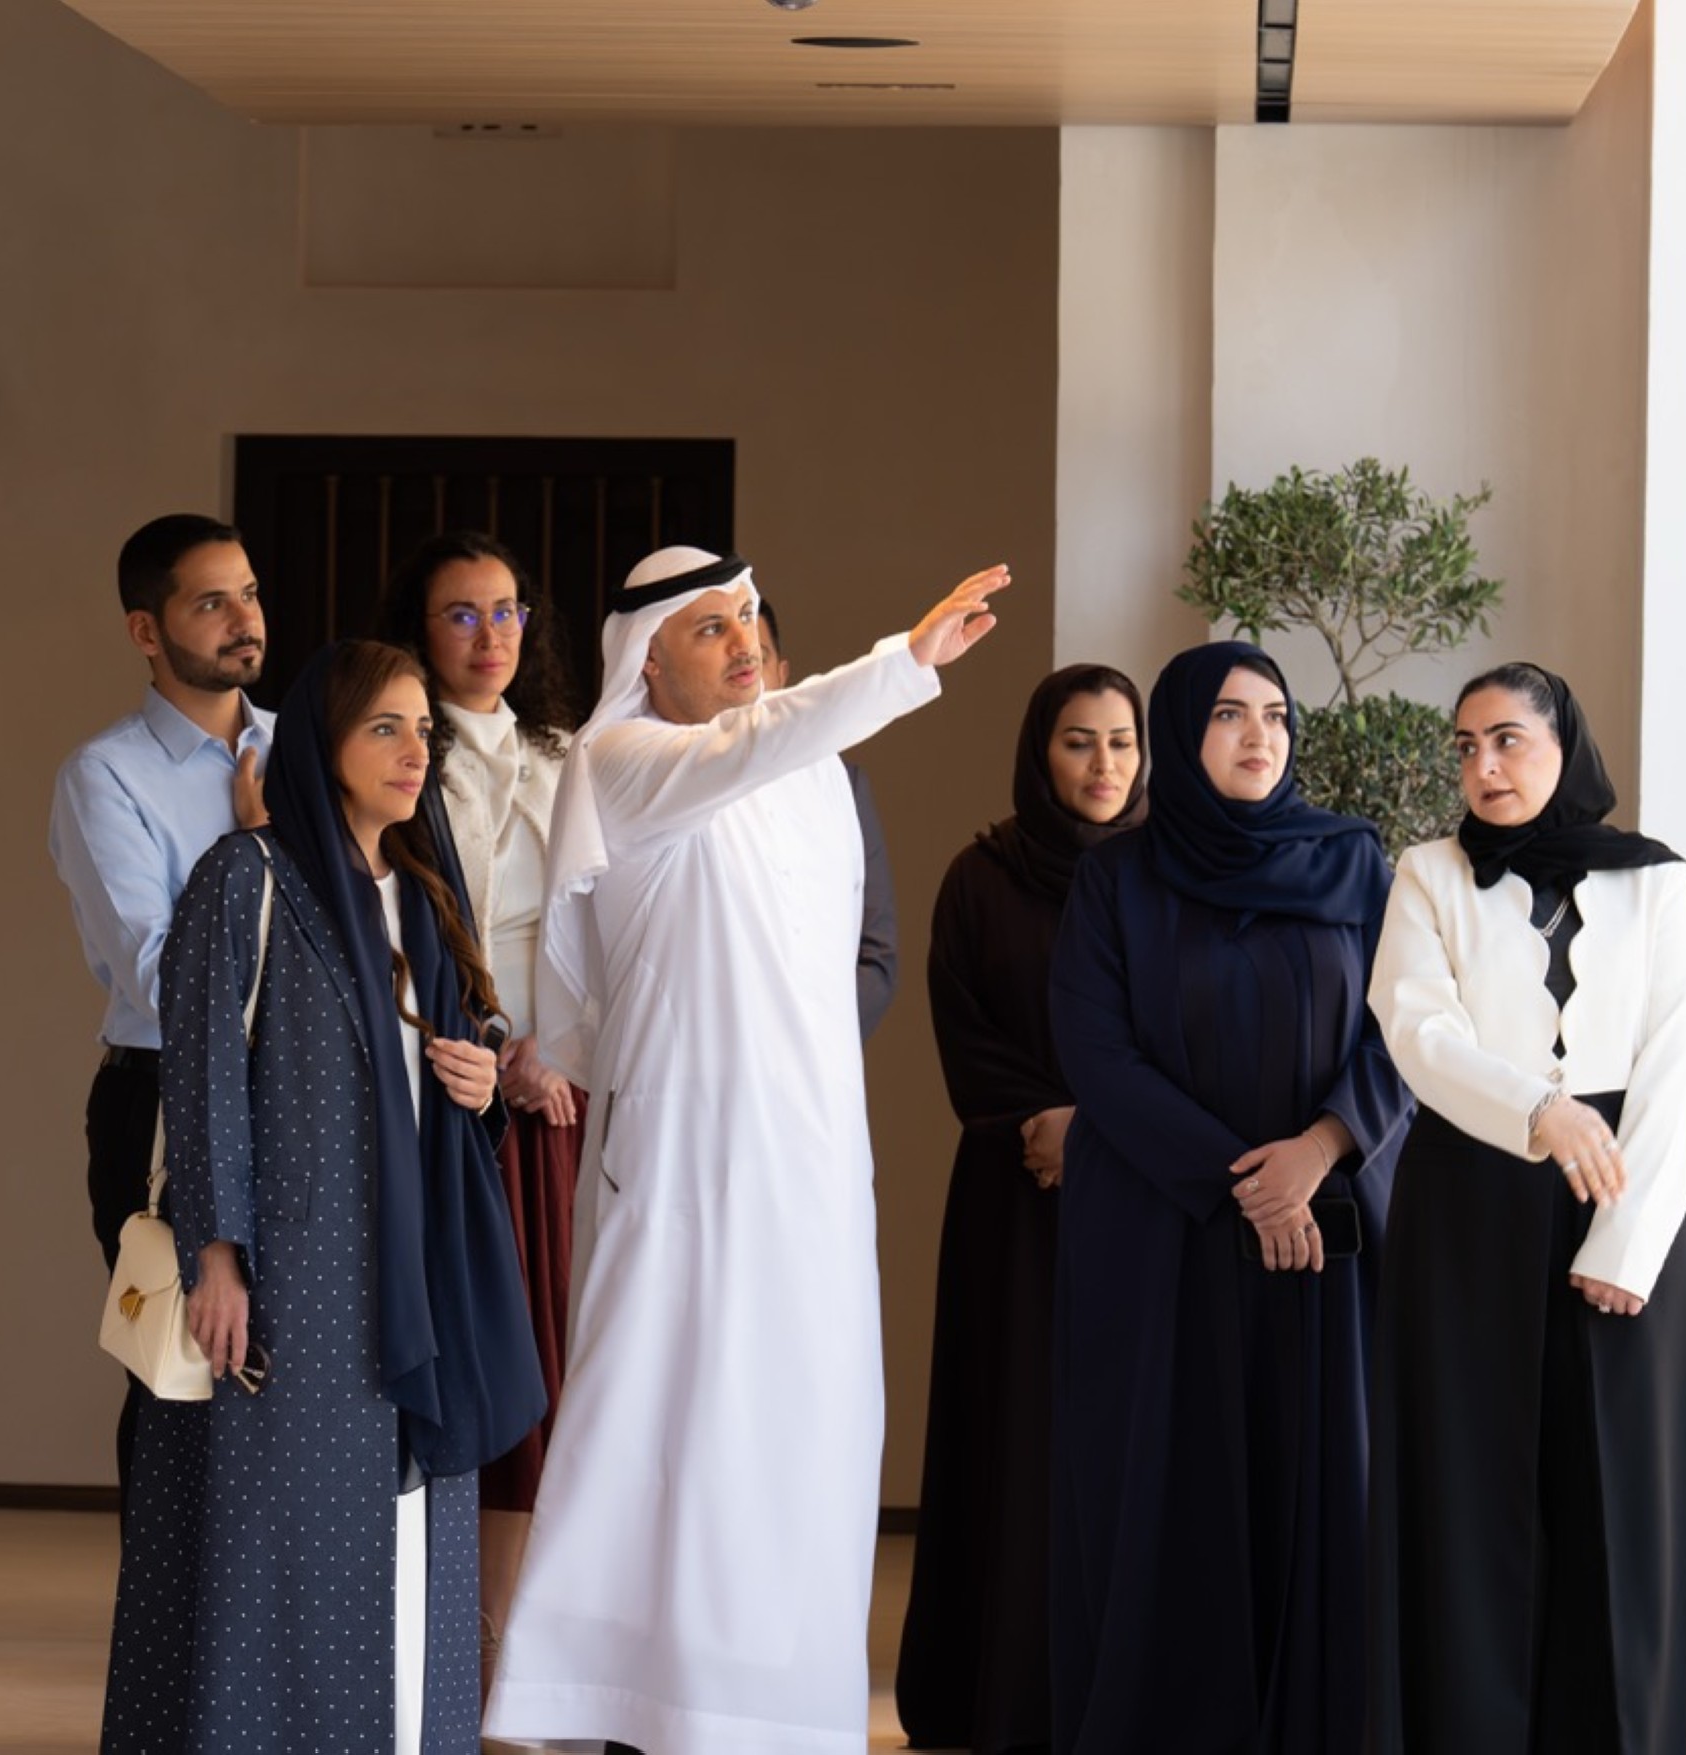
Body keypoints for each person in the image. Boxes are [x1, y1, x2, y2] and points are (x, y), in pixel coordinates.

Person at [484, 545, 1013, 1755]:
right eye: (708, 627)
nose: (739, 642)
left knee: (802, 1429)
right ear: (645, 657)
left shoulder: (808, 770)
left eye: (749, 620)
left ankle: (779, 1714)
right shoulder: (623, 763)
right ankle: (618, 1702)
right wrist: (905, 660)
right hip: (682, 1154)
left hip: (812, 1163)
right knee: (668, 1422)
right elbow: (746, 748)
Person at [100, 640, 546, 1755]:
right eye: (384, 727)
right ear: (324, 741)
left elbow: (456, 1052)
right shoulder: (245, 878)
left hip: (412, 1269)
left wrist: (481, 1081)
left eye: (423, 730)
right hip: (294, 1271)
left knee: (403, 1532)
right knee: (273, 1543)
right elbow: (200, 1075)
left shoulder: (426, 888)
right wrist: (216, 1254)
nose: (413, 751)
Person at [1046, 641, 1411, 1755]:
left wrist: (1318, 1147)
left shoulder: (1355, 863)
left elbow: (1403, 1025)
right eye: (1227, 716)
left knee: (1323, 1475)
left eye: (1274, 715)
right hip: (1162, 1227)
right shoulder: (1117, 876)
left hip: (1324, 1227)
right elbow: (1095, 1051)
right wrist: (1242, 1184)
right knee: (1164, 1478)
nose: (1259, 737)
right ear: (1179, 732)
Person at [1365, 663, 1686, 1754]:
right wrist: (1537, 1113)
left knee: (1618, 1502)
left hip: (1621, 1202)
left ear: (1563, 746)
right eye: (1464, 746)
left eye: (1505, 739)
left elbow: (1672, 1068)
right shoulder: (1425, 874)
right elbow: (1416, 1033)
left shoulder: (1654, 880)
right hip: (1467, 1199)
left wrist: (1629, 1243)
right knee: (1467, 1491)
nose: (1483, 766)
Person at [895, 665, 1147, 1755]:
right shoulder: (978, 876)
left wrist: (1096, 1126)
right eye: (1077, 743)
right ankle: (992, 1692)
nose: (1102, 767)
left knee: (1125, 1442)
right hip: (1014, 1193)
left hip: (1140, 1198)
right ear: (1037, 754)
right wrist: (1038, 1122)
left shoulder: (1162, 880)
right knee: (1013, 1430)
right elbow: (962, 1030)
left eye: (1121, 744)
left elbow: (1179, 1037)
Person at [373, 531, 585, 1686]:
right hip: (450, 1081)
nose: (488, 636)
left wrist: (556, 1051)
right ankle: (454, 1636)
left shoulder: (568, 757)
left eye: (505, 612)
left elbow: (593, 936)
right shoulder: (399, 757)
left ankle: (524, 1640)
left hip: (560, 1090)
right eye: (460, 614)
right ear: (418, 629)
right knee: (470, 1359)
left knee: (550, 1367)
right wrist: (496, 1051)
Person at [47, 512, 271, 1490]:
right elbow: (156, 973)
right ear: (147, 630)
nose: (242, 619)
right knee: (176, 1376)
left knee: (286, 1378)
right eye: (209, 601)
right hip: (162, 1102)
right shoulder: (105, 777)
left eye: (249, 592)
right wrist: (254, 851)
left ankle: (254, 1638)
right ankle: (164, 1639)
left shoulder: (306, 750)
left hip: (293, 1096)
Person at [755, 594, 900, 1039]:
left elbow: (876, 952)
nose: (744, 674)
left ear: (782, 674)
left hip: (819, 1059)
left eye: (757, 658)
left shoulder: (842, 783)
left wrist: (811, 1042)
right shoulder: (674, 783)